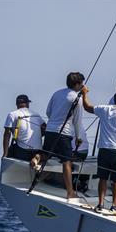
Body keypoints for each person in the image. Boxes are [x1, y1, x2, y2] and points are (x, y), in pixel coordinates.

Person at [81, 88, 116, 213]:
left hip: (103, 149)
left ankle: (100, 204)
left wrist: (85, 94)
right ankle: (114, 205)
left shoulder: (104, 109)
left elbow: (87, 107)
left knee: (103, 177)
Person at [43, 71, 85, 199]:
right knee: (66, 162)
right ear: (77, 84)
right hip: (64, 133)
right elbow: (77, 120)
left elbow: (48, 112)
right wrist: (78, 137)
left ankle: (36, 160)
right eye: (81, 84)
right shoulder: (77, 99)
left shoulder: (57, 93)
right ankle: (70, 192)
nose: (83, 86)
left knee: (45, 155)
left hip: (50, 130)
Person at [2, 94, 45, 168]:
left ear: (17, 104)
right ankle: (37, 158)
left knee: (10, 151)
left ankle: (11, 174)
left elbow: (7, 134)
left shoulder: (12, 114)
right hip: (37, 150)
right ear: (27, 104)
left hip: (23, 151)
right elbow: (45, 128)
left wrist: (5, 154)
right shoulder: (36, 115)